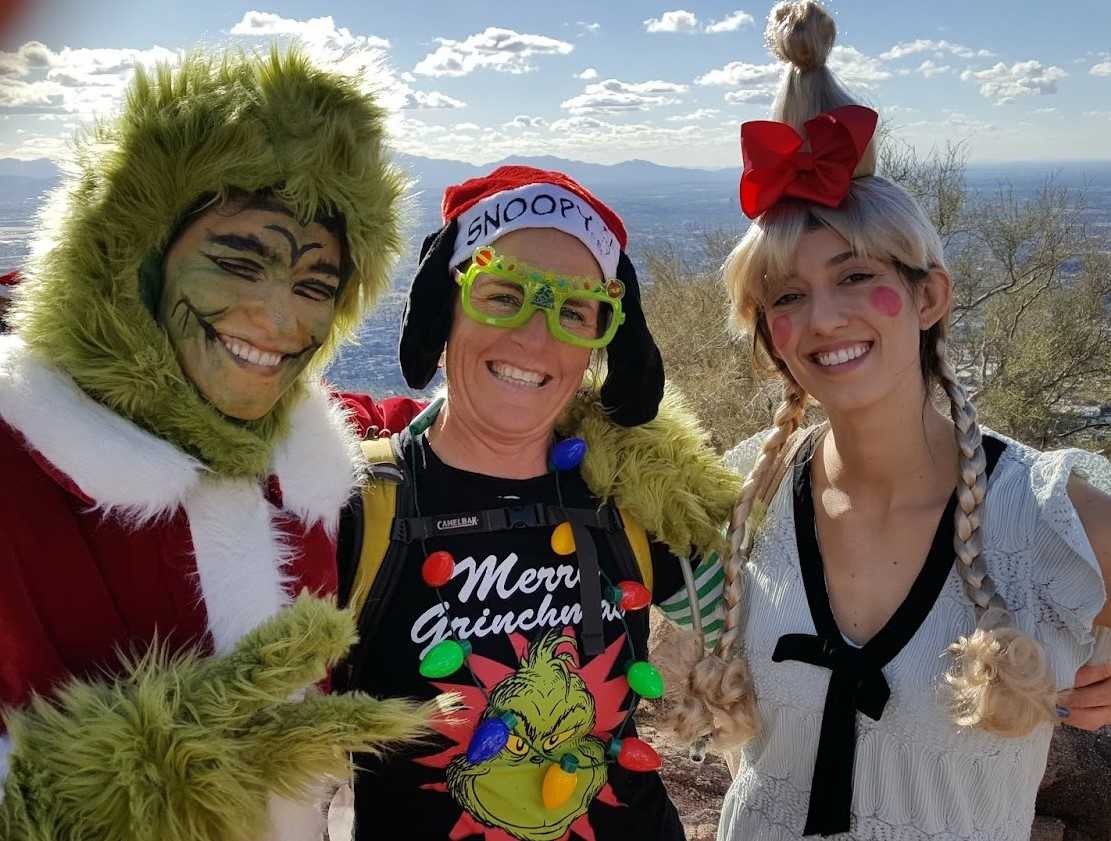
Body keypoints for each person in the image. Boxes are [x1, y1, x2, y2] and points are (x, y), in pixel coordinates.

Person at [656, 3, 1111, 840]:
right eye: (786, 295)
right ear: (768, 337)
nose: (821, 317)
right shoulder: (741, 502)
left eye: (853, 274)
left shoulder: (1046, 518)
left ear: (926, 296)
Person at [0, 48, 438, 841]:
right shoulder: (18, 455)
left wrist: (586, 417)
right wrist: (143, 772)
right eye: (239, 262)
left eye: (314, 285)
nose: (278, 319)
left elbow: (410, 420)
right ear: (134, 259)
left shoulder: (290, 444)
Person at [335, 165, 741, 841]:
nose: (534, 335)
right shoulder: (358, 509)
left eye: (575, 310)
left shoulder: (633, 501)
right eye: (503, 295)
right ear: (446, 309)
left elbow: (770, 631)